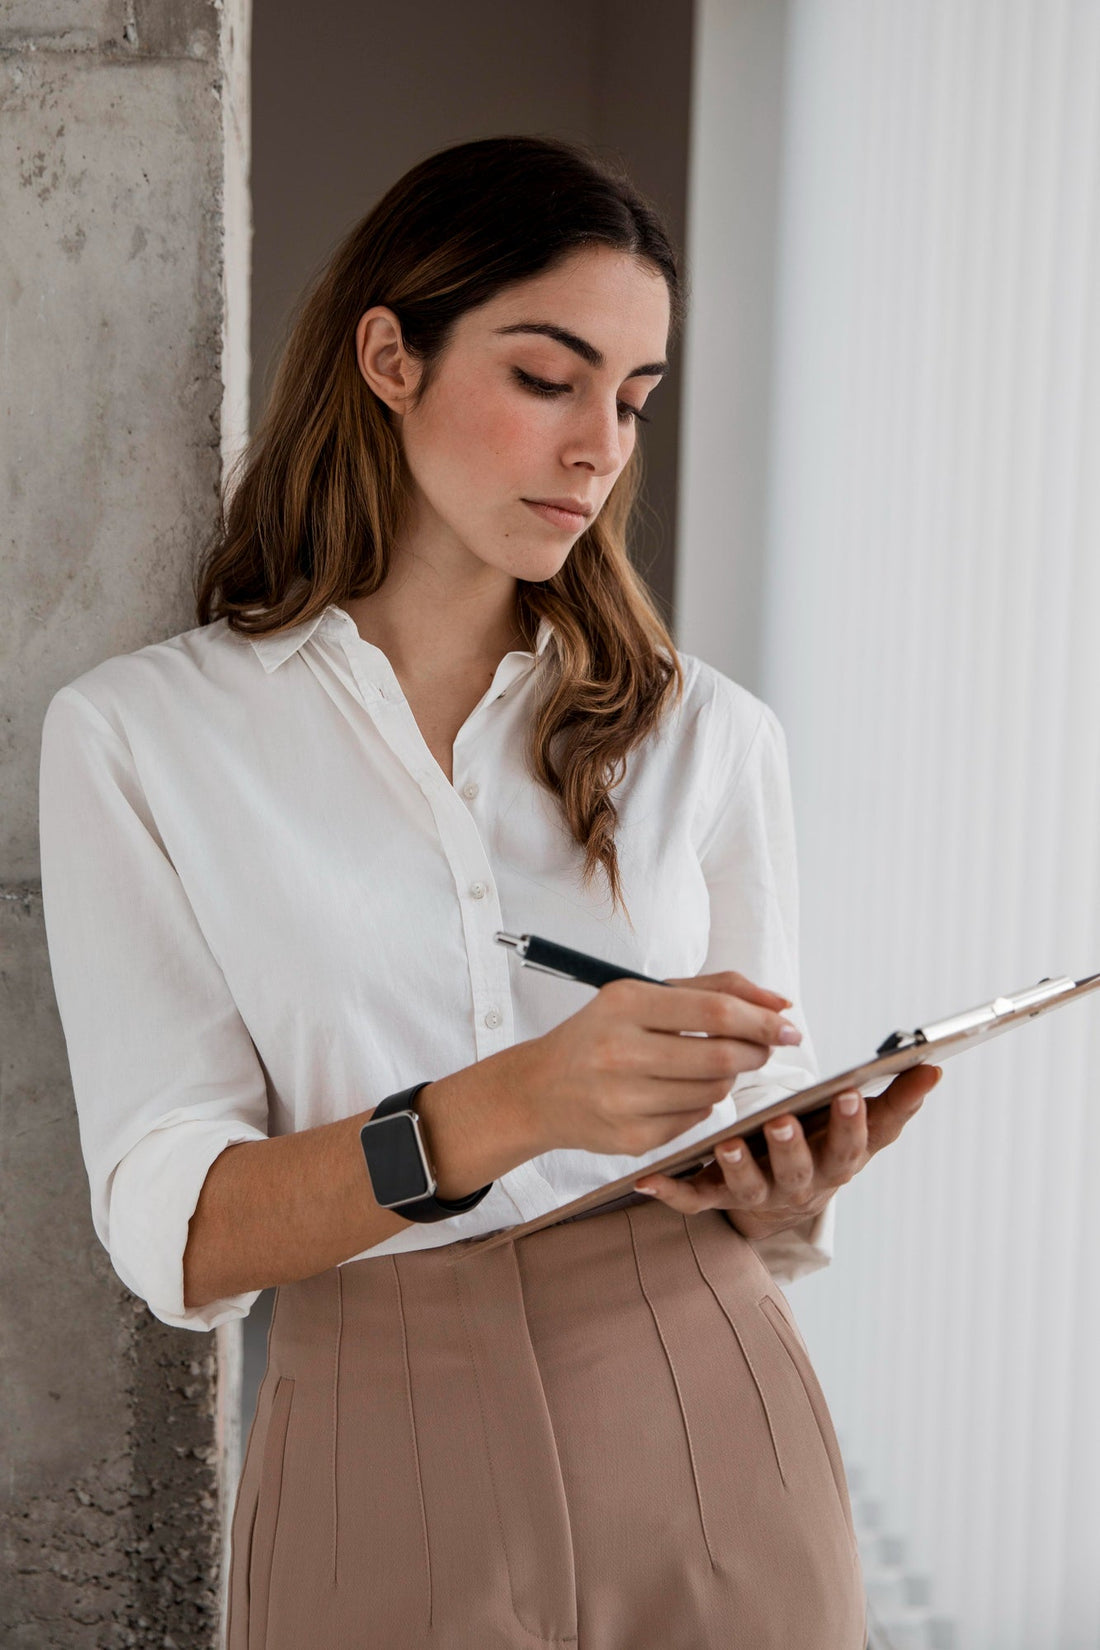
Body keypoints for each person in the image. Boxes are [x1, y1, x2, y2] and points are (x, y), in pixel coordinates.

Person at [39, 134, 937, 1649]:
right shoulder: (143, 739)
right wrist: (512, 1100)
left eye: (635, 401)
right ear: (390, 354)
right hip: (366, 1431)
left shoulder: (708, 734)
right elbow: (175, 1231)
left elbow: (753, 1137)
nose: (601, 445)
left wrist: (789, 1184)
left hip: (707, 1398)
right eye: (549, 378)